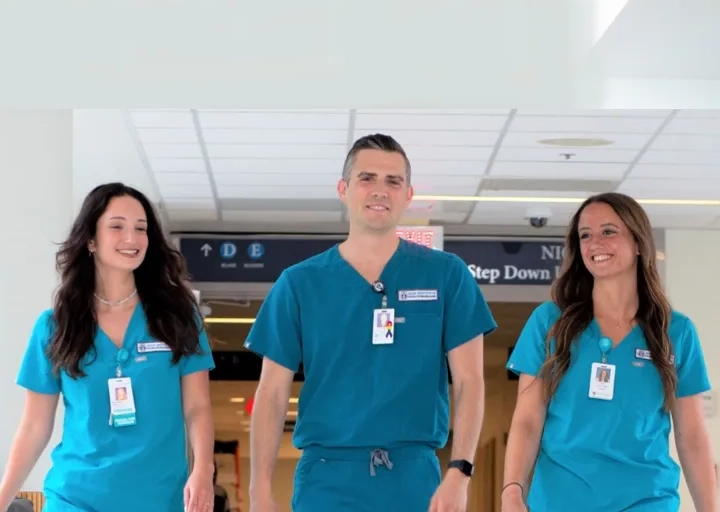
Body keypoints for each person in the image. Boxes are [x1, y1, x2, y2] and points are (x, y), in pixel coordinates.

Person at [244, 134, 497, 512]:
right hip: (326, 478)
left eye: (393, 181)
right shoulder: (299, 283)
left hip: (415, 478)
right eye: (367, 178)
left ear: (408, 194)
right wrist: (259, 489)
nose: (380, 190)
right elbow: (272, 393)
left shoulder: (446, 275)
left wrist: (460, 472)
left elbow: (470, 381)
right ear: (343, 189)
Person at [0, 183, 216, 512]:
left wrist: (202, 469)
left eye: (141, 229)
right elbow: (35, 426)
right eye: (117, 226)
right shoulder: (56, 326)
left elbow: (197, 407)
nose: (131, 238)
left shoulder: (178, 317)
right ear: (91, 240)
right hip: (76, 497)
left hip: (159, 498)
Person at [502, 192, 716, 512]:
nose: (594, 243)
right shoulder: (550, 322)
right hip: (560, 500)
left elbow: (692, 436)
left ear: (639, 242)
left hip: (646, 499)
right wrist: (512, 491)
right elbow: (528, 419)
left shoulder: (676, 332)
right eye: (585, 235)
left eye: (608, 231)